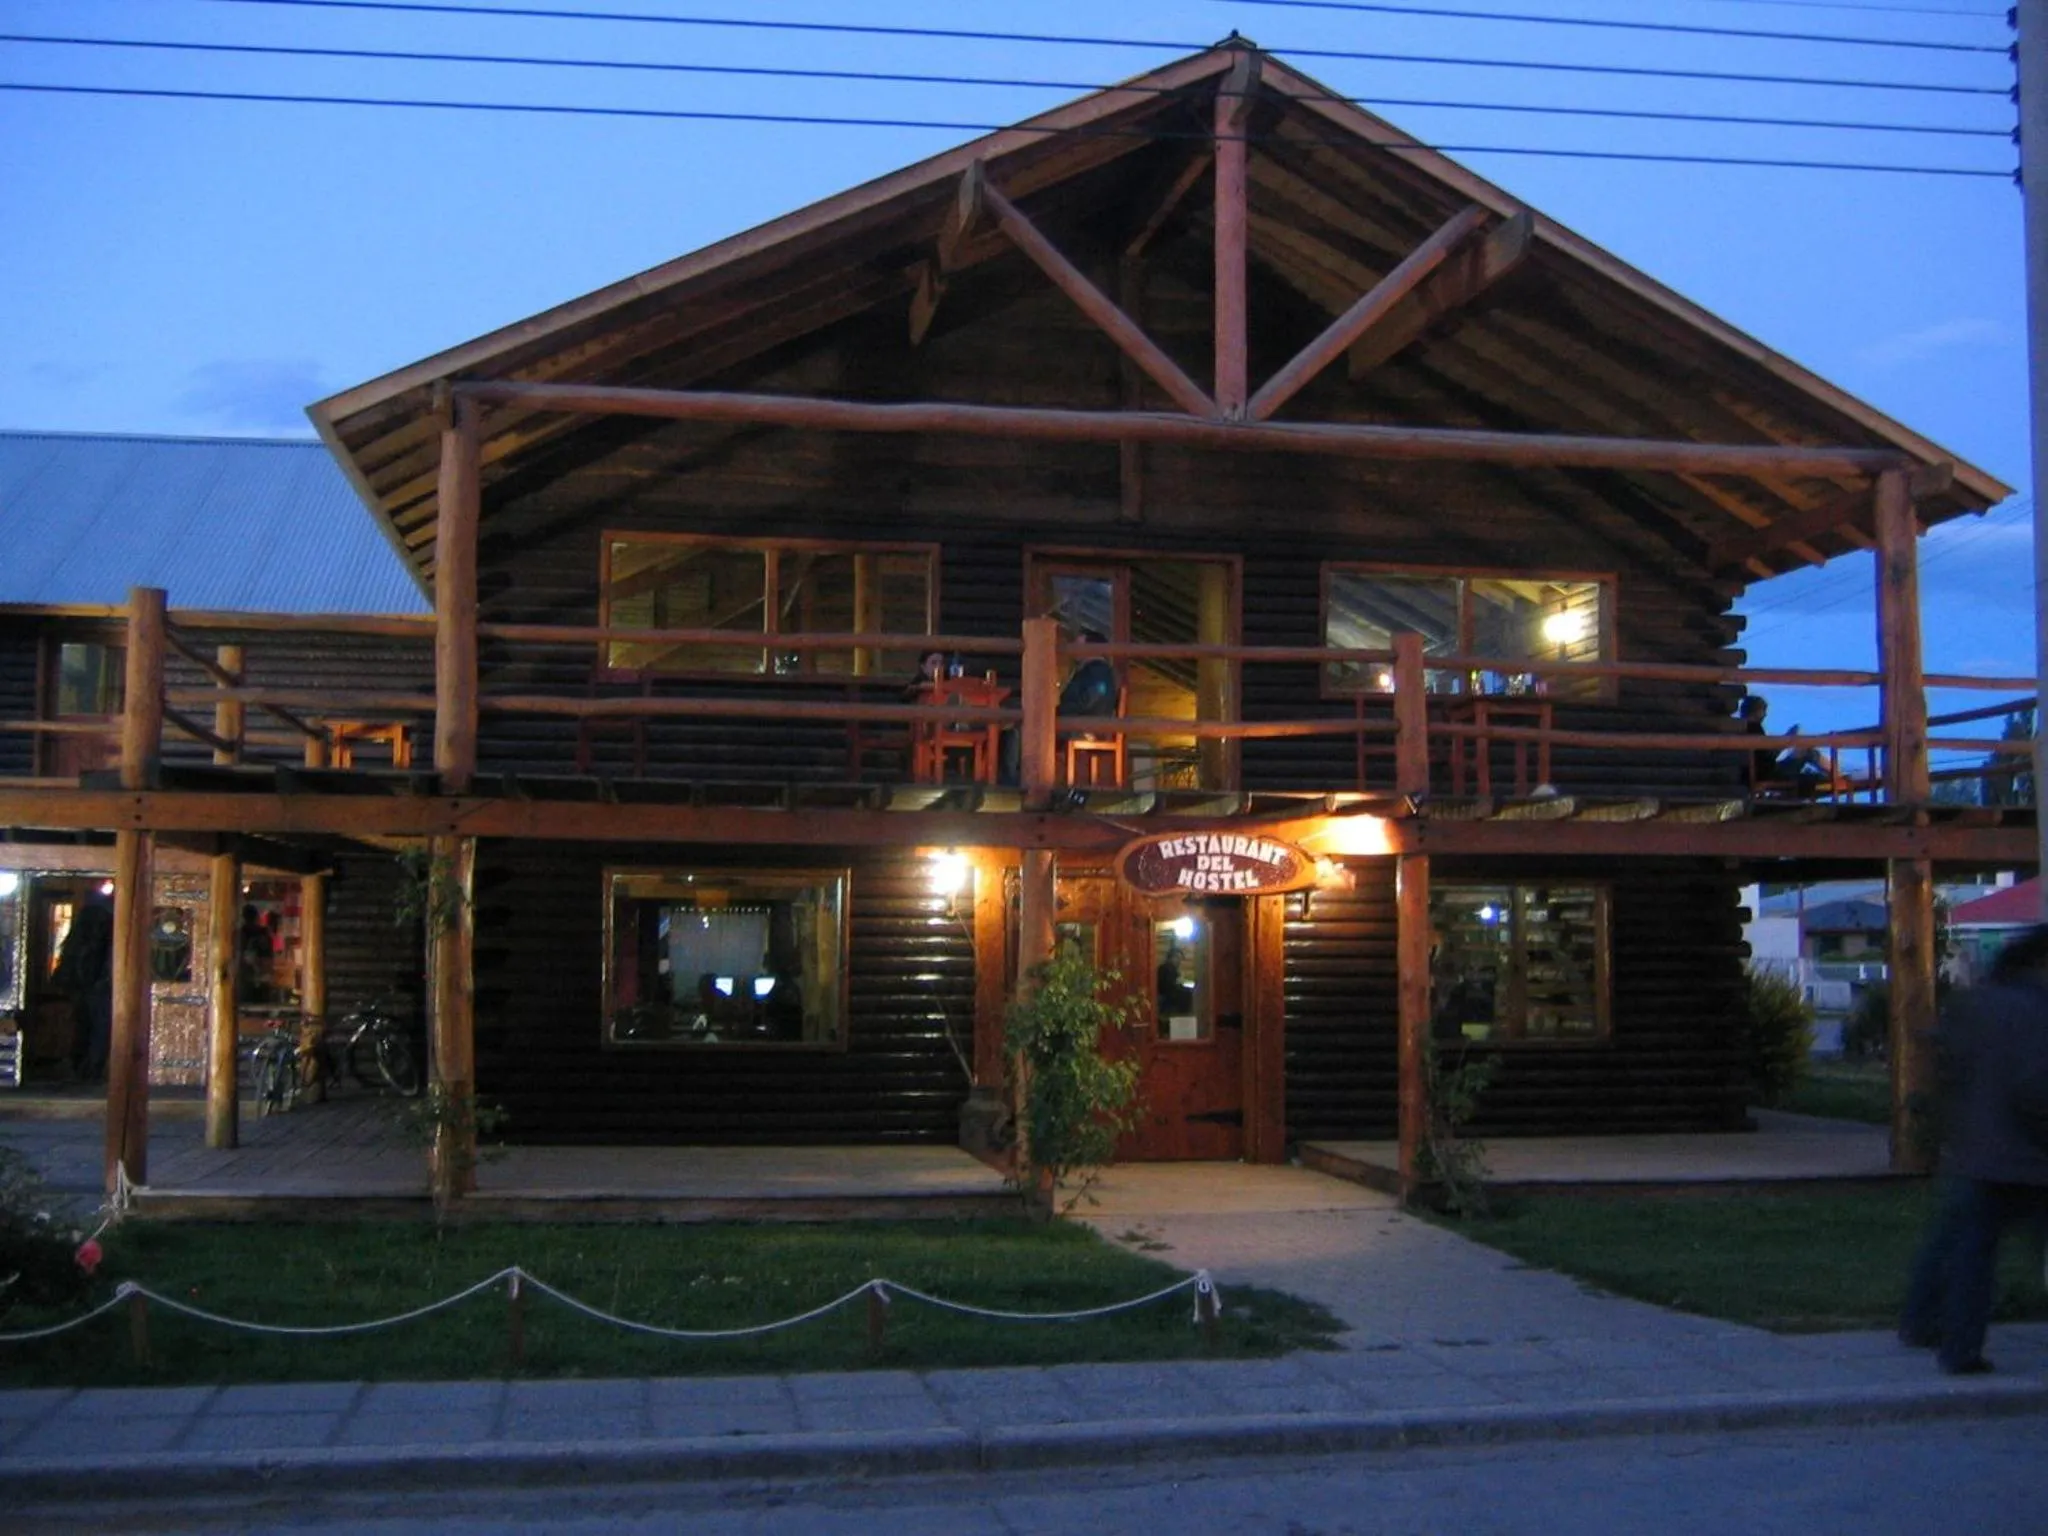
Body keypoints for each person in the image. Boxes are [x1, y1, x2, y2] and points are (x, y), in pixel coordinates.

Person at [1898, 924, 2048, 1374]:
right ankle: (1943, 1334)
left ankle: (1936, 1330)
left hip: (1976, 1149)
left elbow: (1948, 1066)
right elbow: (2035, 1086)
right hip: (2029, 1154)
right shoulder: (2036, 1011)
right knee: (1974, 1248)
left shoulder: (1977, 1004)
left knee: (1965, 1249)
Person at [55, 896, 114, 1081]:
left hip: (82, 988)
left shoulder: (80, 931)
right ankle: (92, 1071)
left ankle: (80, 1067)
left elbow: (70, 961)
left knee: (84, 1027)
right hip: (100, 989)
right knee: (99, 1030)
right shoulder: (106, 929)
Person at [1736, 695, 1824, 796]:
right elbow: (1768, 756)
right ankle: (1838, 779)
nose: (1765, 715)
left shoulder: (1737, 728)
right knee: (1810, 753)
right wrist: (1788, 739)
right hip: (1766, 775)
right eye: (1764, 711)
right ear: (1758, 711)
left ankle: (1837, 778)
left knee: (1801, 752)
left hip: (1752, 774)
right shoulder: (1754, 728)